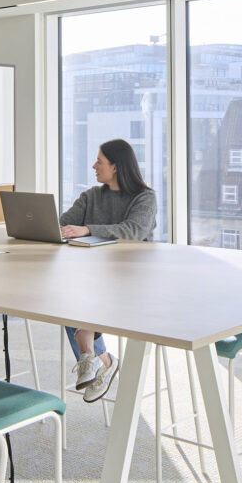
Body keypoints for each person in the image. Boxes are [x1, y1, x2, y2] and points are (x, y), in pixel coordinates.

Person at [58, 138, 157, 403]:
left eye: (99, 161)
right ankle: (97, 357)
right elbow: (63, 224)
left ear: (115, 167)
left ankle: (93, 355)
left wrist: (89, 229)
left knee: (79, 292)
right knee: (68, 293)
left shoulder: (145, 198)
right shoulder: (91, 196)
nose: (93, 166)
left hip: (134, 281)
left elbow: (133, 231)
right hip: (95, 279)